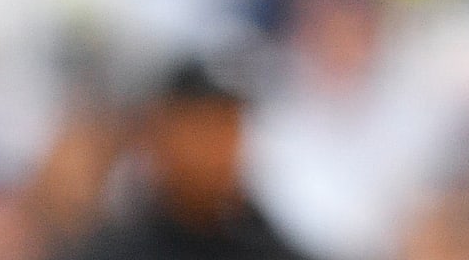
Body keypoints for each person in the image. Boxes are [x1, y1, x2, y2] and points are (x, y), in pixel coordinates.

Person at [59, 59, 315, 260]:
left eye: (229, 126)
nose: (218, 150)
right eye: (203, 127)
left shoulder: (262, 243)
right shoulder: (113, 249)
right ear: (160, 134)